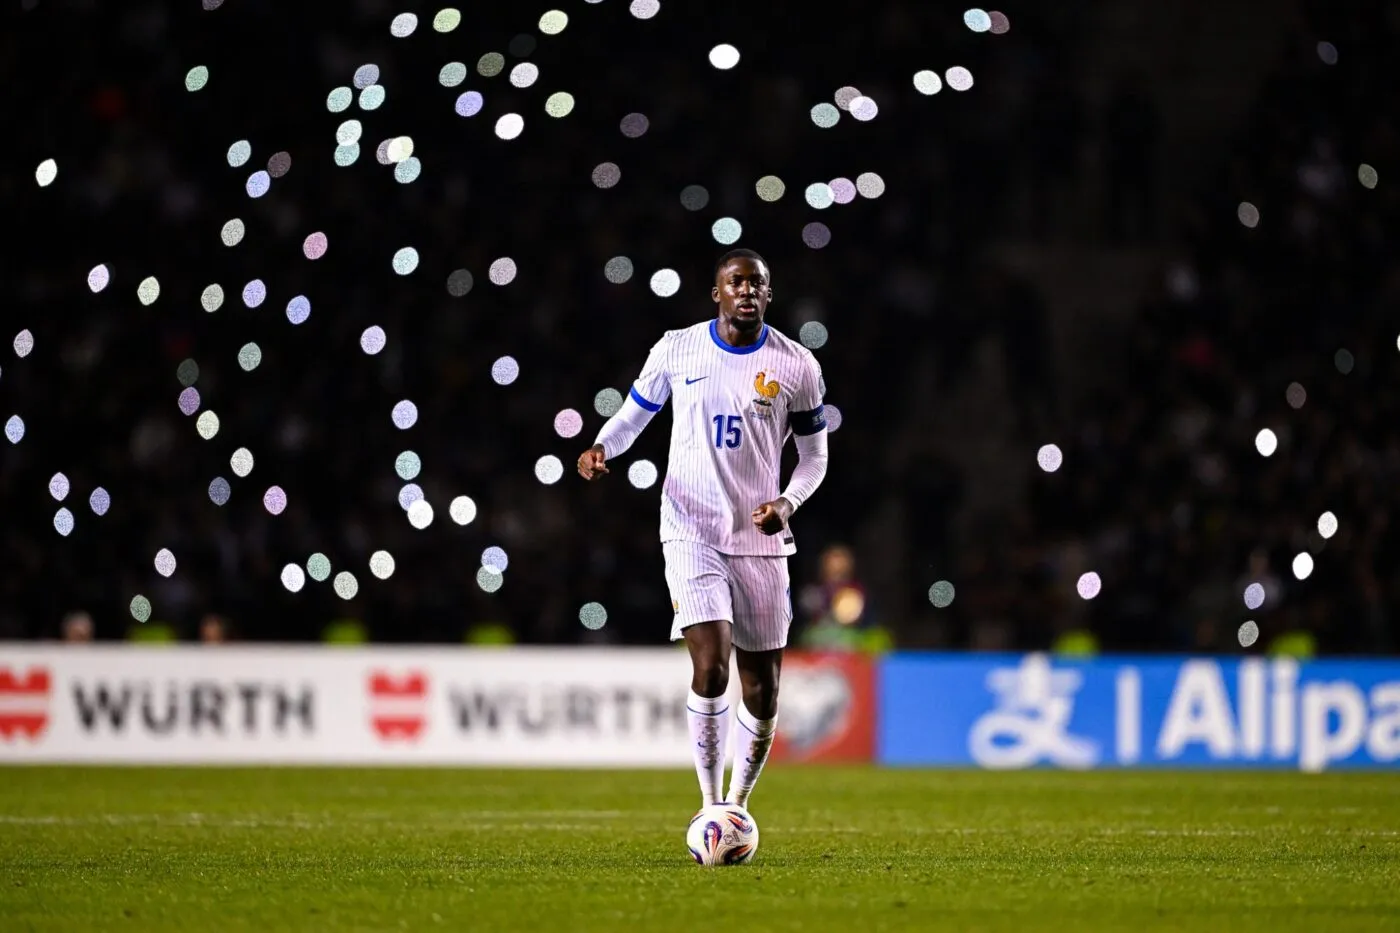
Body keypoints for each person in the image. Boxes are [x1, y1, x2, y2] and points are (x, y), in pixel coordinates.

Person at [577, 248, 829, 814]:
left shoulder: (797, 366)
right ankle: (711, 805)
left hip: (760, 541)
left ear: (769, 294)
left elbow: (815, 457)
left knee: (762, 689)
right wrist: (601, 446)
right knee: (710, 666)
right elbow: (634, 415)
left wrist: (786, 502)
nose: (746, 291)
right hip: (690, 529)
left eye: (756, 283)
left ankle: (738, 803)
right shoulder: (677, 348)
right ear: (717, 293)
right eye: (735, 282)